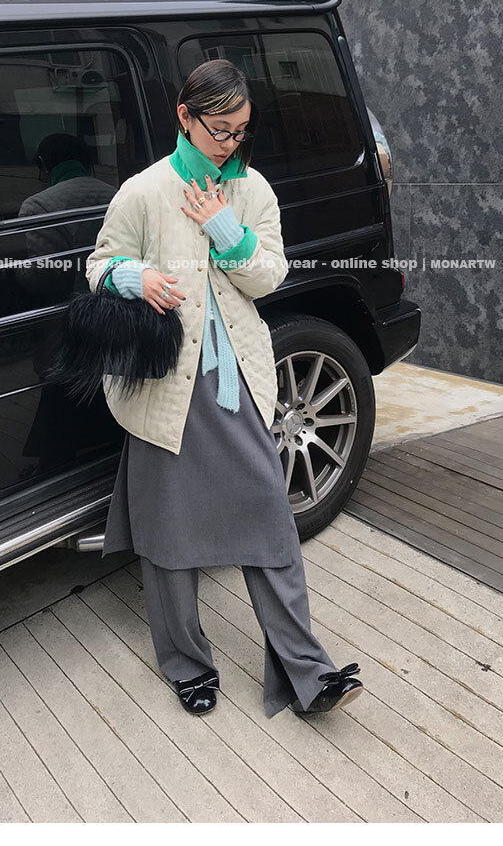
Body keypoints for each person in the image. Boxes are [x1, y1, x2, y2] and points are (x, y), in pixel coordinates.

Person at [85, 59, 363, 718]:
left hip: (235, 376)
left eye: (240, 131)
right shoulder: (144, 191)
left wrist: (222, 226)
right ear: (185, 118)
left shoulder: (251, 189)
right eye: (219, 130)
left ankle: (308, 672)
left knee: (270, 518)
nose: (230, 143)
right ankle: (187, 666)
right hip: (163, 385)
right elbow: (98, 265)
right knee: (169, 533)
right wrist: (135, 278)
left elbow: (268, 276)